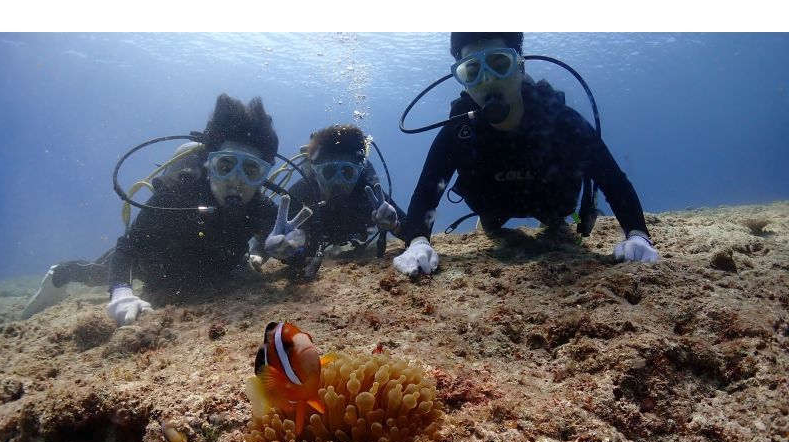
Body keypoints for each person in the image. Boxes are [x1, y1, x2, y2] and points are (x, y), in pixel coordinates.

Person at [393, 32, 659, 277]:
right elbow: (427, 193)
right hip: (493, 209)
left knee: (565, 222)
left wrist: (637, 235)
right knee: (492, 225)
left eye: (499, 64)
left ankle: (572, 220)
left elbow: (612, 180)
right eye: (472, 71)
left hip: (554, 207)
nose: (487, 80)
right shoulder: (459, 131)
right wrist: (418, 242)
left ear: (519, 66)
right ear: (462, 80)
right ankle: (496, 222)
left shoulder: (561, 121)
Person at [23, 94, 287, 325]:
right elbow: (128, 246)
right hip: (153, 266)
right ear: (209, 163)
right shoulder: (175, 193)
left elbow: (291, 250)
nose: (236, 180)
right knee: (96, 273)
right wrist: (122, 291)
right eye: (226, 165)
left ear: (263, 175)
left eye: (251, 170)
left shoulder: (261, 208)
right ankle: (59, 274)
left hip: (213, 272)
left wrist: (291, 251)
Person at [264, 124, 406, 280]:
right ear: (316, 173)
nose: (338, 182)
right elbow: (277, 240)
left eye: (347, 172)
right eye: (329, 172)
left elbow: (411, 229)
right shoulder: (301, 194)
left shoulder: (369, 195)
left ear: (358, 173)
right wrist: (285, 253)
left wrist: (395, 225)